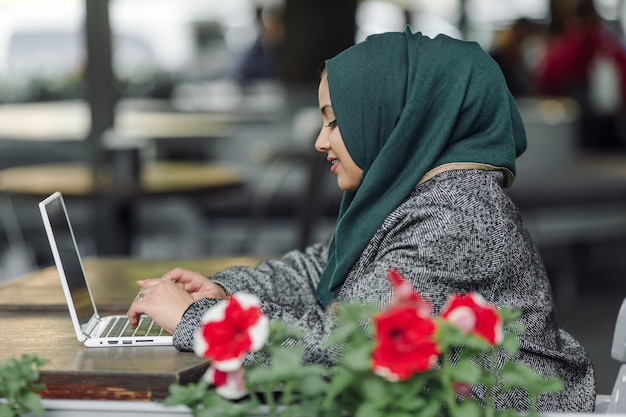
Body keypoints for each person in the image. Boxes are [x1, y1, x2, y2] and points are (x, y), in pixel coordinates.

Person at [127, 28, 596, 412]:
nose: (320, 141)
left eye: (334, 121)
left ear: (393, 116)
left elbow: (344, 349)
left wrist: (199, 319)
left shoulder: (457, 217)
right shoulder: (422, 194)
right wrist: (226, 292)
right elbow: (325, 266)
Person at [537, 0, 626, 150]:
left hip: (580, 119)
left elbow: (549, 76)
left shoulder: (572, 41)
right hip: (600, 118)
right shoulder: (605, 41)